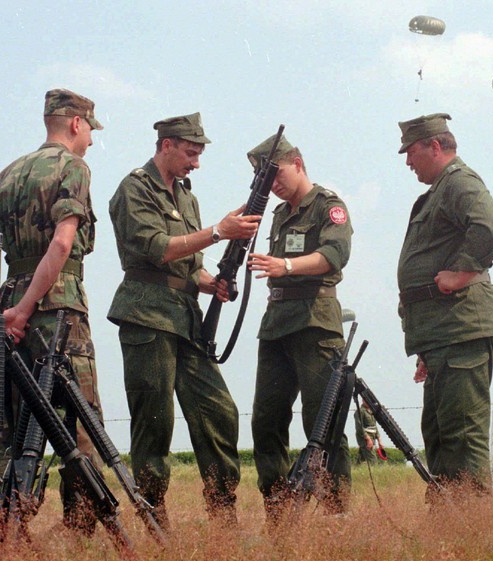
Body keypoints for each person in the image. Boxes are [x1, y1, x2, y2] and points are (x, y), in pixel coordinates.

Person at [107, 112, 260, 527]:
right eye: (191, 153)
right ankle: (155, 515)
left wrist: (212, 283)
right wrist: (218, 232)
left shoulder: (186, 196)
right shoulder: (134, 188)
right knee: (154, 421)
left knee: (219, 413)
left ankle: (223, 514)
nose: (196, 163)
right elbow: (157, 249)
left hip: (186, 318)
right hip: (147, 315)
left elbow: (187, 265)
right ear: (166, 145)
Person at [0, 88, 105, 532]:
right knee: (81, 422)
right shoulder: (74, 168)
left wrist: (0, 315)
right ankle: (82, 528)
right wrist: (27, 310)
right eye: (89, 132)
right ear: (76, 124)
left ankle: (5, 527)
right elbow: (63, 244)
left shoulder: (6, 175)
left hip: (9, 319)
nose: (89, 141)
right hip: (58, 312)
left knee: (8, 425)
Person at [396, 113, 493, 496]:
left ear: (435, 146)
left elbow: (490, 227)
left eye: (411, 152)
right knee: (442, 435)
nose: (408, 162)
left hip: (462, 328)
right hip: (444, 333)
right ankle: (448, 525)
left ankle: (471, 528)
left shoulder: (459, 182)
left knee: (461, 436)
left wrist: (460, 273)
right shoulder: (439, 191)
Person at [246, 133, 353, 522]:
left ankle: (335, 513)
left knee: (322, 419)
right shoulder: (276, 214)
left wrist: (287, 266)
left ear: (299, 162)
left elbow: (334, 254)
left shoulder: (329, 206)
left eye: (278, 175)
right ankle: (277, 510)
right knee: (266, 421)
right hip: (276, 325)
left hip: (315, 320)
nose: (274, 185)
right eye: (266, 180)